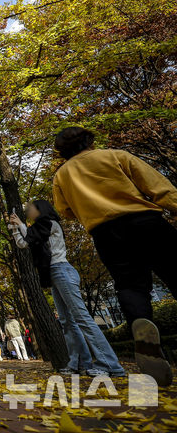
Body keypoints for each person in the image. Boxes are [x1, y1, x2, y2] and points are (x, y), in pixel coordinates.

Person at [52, 126, 177, 386]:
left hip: (105, 234)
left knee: (129, 285)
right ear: (89, 140)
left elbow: (64, 211)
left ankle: (141, 330)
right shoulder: (114, 156)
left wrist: (89, 207)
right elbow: (157, 186)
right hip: (145, 221)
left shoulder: (62, 175)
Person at [9, 199, 125, 378]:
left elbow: (31, 238)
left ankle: (110, 364)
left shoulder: (49, 224)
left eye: (31, 209)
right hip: (55, 274)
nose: (28, 211)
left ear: (41, 210)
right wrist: (17, 227)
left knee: (81, 318)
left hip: (61, 270)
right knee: (66, 321)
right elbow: (23, 243)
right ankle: (79, 363)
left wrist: (21, 225)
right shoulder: (39, 227)